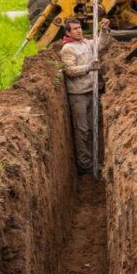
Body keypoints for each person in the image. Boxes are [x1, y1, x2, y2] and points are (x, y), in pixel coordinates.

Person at [59, 17, 108, 175]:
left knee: (93, 127)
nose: (79, 30)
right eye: (75, 29)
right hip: (78, 94)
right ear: (68, 32)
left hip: (91, 91)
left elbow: (101, 45)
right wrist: (88, 67)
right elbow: (69, 70)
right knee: (82, 130)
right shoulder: (68, 49)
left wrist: (104, 30)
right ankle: (85, 164)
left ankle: (94, 159)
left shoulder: (86, 43)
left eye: (79, 27)